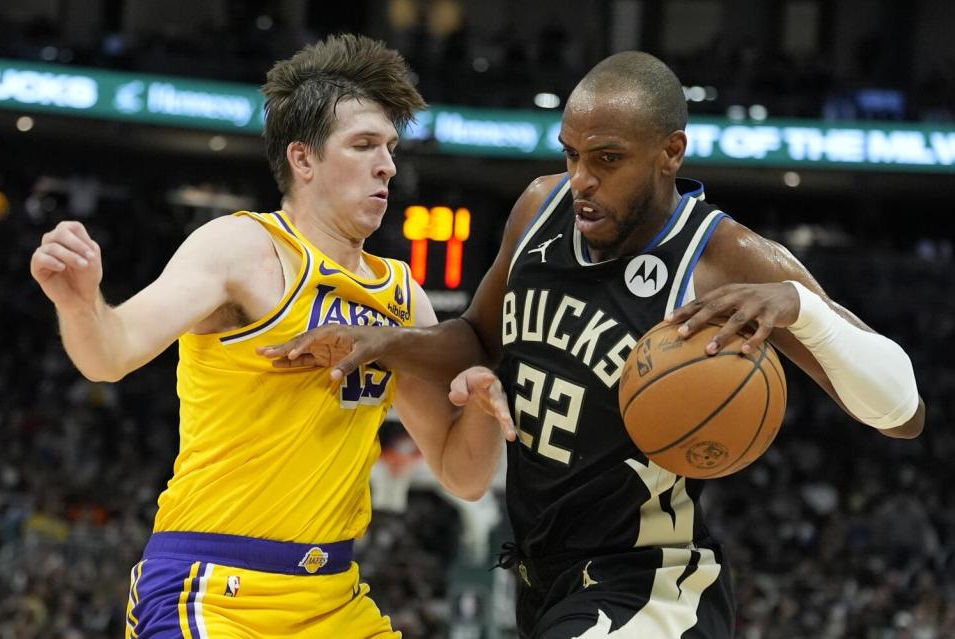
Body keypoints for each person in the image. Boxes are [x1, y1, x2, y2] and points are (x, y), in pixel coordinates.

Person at [260, 51, 926, 638]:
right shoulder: (538, 208)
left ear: (670, 152)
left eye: (607, 159)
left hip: (651, 585)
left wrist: (801, 308)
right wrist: (383, 342)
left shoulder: (727, 257)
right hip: (541, 576)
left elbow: (902, 411)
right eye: (570, 154)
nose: (581, 178)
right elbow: (477, 338)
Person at [30, 34, 512, 638]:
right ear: (303, 159)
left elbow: (463, 475)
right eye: (363, 145)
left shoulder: (402, 295)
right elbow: (111, 352)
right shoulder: (243, 248)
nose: (387, 164)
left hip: (334, 599)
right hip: (214, 586)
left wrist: (488, 400)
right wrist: (80, 303)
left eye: (389, 147)